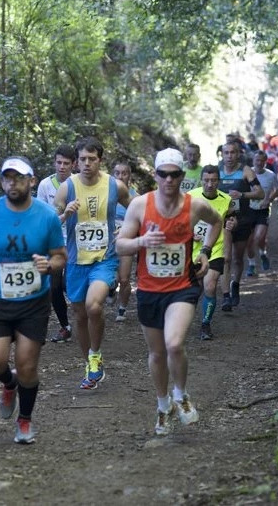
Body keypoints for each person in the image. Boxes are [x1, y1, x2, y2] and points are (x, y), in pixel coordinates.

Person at [0, 156, 66, 444]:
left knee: (28, 365)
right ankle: (9, 382)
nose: (12, 183)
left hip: (33, 302)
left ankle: (25, 421)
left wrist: (50, 265)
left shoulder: (47, 216)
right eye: (7, 178)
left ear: (31, 181)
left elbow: (60, 256)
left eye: (18, 178)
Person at [117, 148, 222, 436]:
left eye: (175, 174)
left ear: (181, 175)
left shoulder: (194, 205)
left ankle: (181, 394)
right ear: (156, 175)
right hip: (150, 290)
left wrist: (206, 251)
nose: (169, 180)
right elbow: (120, 246)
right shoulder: (139, 205)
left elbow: (217, 222)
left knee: (174, 344)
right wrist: (142, 241)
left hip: (182, 288)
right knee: (157, 353)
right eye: (163, 174)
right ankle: (163, 405)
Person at [54, 137, 132, 390]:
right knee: (79, 315)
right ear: (77, 162)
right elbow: (51, 222)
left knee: (94, 306)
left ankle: (96, 354)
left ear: (100, 160)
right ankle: (90, 363)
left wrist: (125, 232)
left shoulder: (114, 186)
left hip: (104, 259)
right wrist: (66, 214)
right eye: (83, 159)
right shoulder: (67, 188)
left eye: (93, 159)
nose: (87, 164)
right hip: (76, 261)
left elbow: (134, 209)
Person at [188, 165, 236, 340]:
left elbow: (231, 217)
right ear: (202, 180)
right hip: (191, 249)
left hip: (215, 249)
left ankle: (205, 324)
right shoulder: (190, 196)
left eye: (214, 180)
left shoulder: (226, 199)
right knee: (193, 290)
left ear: (218, 181)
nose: (210, 184)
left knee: (210, 285)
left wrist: (232, 223)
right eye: (207, 180)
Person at [36, 144, 76, 343]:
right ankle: (65, 326)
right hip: (53, 241)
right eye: (59, 162)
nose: (62, 166)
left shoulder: (79, 184)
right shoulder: (45, 185)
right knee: (54, 286)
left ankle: (85, 313)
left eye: (66, 163)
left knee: (71, 284)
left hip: (76, 240)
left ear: (73, 164)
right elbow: (43, 219)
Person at [218, 141, 264, 310]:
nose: (229, 156)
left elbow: (260, 193)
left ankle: (235, 284)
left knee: (238, 258)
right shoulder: (217, 171)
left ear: (238, 154)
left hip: (243, 220)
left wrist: (242, 194)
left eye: (233, 153)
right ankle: (225, 296)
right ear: (222, 155)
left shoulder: (245, 171)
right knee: (226, 257)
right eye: (226, 153)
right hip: (225, 220)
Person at [246, 151, 278, 276]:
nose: (259, 163)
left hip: (263, 210)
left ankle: (262, 254)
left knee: (259, 237)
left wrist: (269, 199)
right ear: (253, 161)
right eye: (257, 160)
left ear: (265, 162)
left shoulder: (271, 175)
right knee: (249, 241)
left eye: (262, 160)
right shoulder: (247, 173)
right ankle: (252, 264)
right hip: (248, 210)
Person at [112, 159, 139, 322]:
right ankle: (109, 290)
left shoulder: (136, 198)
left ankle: (122, 308)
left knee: (124, 277)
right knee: (110, 276)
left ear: (130, 176)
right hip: (107, 238)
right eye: (117, 173)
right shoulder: (105, 193)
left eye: (124, 173)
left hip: (127, 239)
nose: (121, 176)